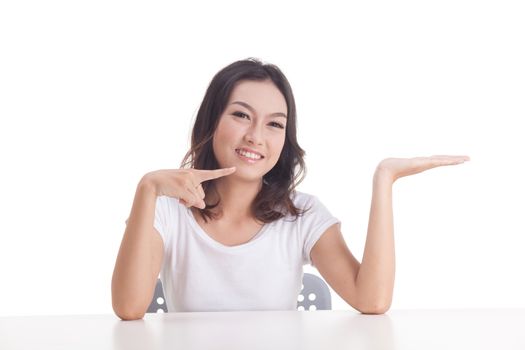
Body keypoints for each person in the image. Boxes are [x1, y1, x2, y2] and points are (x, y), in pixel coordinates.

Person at [111, 58, 470, 320]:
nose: (256, 136)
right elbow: (128, 308)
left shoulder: (302, 214)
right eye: (240, 115)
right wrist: (147, 188)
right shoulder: (165, 208)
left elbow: (372, 299)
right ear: (211, 120)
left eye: (275, 124)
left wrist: (384, 178)